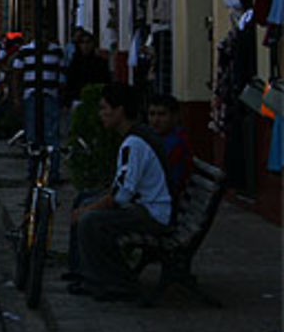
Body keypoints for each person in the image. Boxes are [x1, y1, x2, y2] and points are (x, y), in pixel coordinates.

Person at [67, 83, 172, 302]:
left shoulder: (134, 143)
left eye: (105, 108)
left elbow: (122, 195)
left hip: (152, 213)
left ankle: (115, 282)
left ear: (120, 110)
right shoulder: (136, 137)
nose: (101, 114)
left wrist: (88, 210)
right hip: (144, 206)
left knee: (90, 220)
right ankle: (85, 274)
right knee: (84, 200)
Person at [12, 32, 67, 183]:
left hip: (50, 97)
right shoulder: (24, 51)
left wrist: (61, 98)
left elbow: (62, 77)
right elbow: (16, 75)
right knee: (32, 135)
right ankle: (33, 170)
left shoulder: (57, 51)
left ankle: (52, 172)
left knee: (51, 136)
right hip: (31, 97)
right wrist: (17, 97)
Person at [148, 94, 192, 200]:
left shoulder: (175, 143)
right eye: (152, 114)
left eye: (162, 114)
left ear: (175, 117)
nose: (155, 120)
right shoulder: (160, 138)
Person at [63, 30, 111, 108]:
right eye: (82, 43)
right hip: (78, 100)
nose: (85, 46)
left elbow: (106, 81)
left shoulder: (100, 63)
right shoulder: (75, 63)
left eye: (88, 42)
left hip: (96, 101)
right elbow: (69, 83)